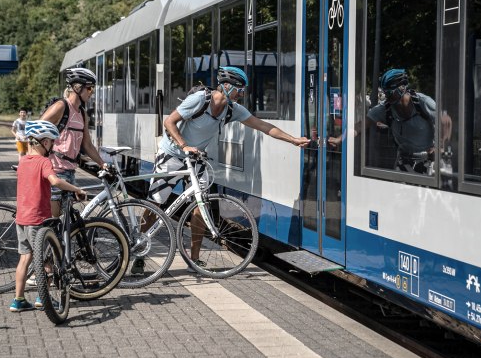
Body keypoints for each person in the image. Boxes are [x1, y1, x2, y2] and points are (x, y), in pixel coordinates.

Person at [134, 66, 310, 274]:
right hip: (171, 154)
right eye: (239, 89)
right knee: (156, 203)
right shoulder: (200, 99)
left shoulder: (232, 109)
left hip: (196, 158)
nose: (242, 94)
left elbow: (263, 126)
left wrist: (293, 140)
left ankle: (195, 258)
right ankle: (138, 252)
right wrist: (184, 146)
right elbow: (169, 122)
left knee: (201, 205)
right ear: (226, 86)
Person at [10, 120, 86, 312]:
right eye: (51, 142)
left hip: (21, 218)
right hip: (38, 219)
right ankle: (43, 298)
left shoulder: (23, 162)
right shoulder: (44, 162)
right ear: (43, 142)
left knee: (25, 258)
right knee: (46, 260)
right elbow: (55, 181)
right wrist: (76, 188)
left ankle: (18, 300)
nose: (52, 145)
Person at [41, 68, 108, 217]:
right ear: (77, 87)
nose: (92, 92)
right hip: (55, 171)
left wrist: (102, 164)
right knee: (53, 221)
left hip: (70, 172)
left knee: (64, 223)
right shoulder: (61, 107)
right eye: (89, 88)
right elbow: (36, 130)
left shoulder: (82, 114)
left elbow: (87, 145)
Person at [367, 68, 436, 175]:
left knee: (424, 191)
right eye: (385, 93)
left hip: (428, 159)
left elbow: (446, 122)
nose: (387, 97)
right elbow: (362, 124)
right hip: (404, 160)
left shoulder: (424, 102)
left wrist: (439, 147)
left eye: (390, 93)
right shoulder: (386, 108)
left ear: (402, 88)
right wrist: (341, 138)